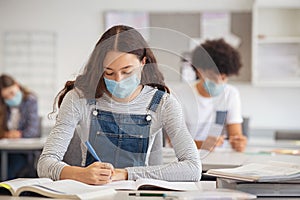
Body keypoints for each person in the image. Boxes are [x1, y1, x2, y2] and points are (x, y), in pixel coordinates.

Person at [37, 25, 201, 185]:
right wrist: (79, 174)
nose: (118, 80)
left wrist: (125, 174)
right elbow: (45, 163)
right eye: (109, 72)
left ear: (143, 62)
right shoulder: (78, 98)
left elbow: (193, 168)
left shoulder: (164, 103)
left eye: (127, 71)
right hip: (90, 193)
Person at [175, 39, 247, 152]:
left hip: (219, 159)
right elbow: (174, 141)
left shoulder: (231, 94)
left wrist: (239, 143)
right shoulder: (179, 95)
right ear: (199, 71)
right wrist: (201, 144)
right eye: (214, 76)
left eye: (223, 77)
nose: (219, 82)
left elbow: (236, 134)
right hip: (187, 158)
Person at [0, 74, 39, 179]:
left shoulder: (30, 101)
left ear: (16, 85)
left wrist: (18, 134)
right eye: (6, 97)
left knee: (8, 170)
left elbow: (33, 130)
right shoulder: (3, 106)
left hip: (22, 152)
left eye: (12, 93)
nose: (10, 98)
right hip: (5, 150)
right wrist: (6, 134)